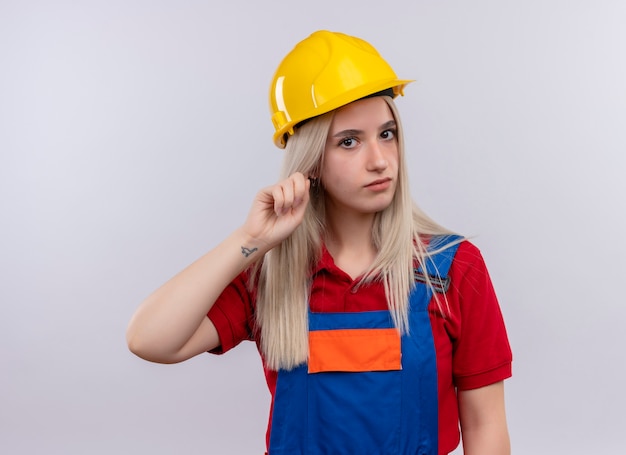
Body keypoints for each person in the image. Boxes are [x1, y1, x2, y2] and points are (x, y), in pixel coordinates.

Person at [126, 30, 513, 455]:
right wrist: (250, 239)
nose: (379, 160)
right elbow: (149, 340)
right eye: (349, 142)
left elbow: (485, 426)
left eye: (387, 134)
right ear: (310, 162)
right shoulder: (271, 276)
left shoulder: (451, 267)